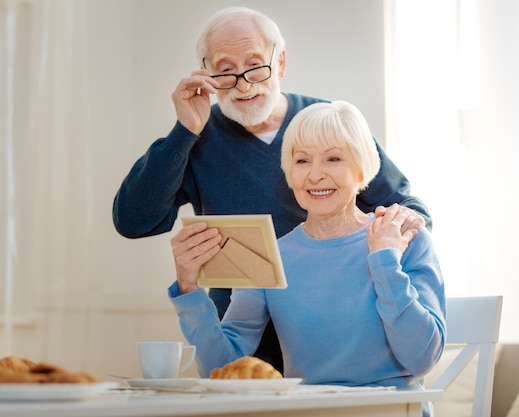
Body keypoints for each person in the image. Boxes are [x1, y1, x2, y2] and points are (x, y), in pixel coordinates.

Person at [112, 6, 432, 373]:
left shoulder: (327, 125)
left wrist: (395, 247)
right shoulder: (197, 139)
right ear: (208, 74)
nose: (244, 83)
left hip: (335, 332)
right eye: (226, 70)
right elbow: (133, 220)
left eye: (254, 64)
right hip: (242, 338)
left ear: (279, 63)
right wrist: (184, 131)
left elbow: (408, 211)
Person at [168, 100, 445, 392]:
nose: (315, 175)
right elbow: (220, 368)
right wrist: (189, 289)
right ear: (289, 173)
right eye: (302, 161)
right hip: (306, 409)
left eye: (333, 159)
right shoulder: (271, 256)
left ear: (362, 171)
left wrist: (385, 260)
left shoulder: (406, 240)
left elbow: (422, 358)